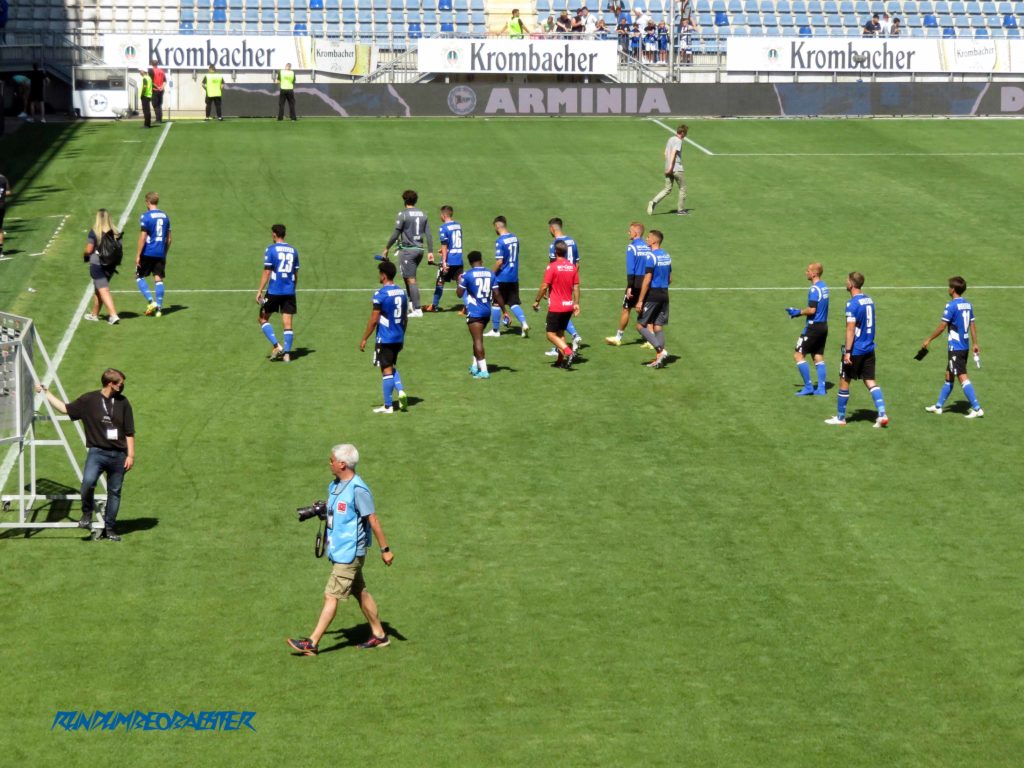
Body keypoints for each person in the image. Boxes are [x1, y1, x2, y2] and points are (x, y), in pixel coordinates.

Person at [286, 443, 394, 655]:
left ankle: (312, 642)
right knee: (359, 591)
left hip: (350, 553)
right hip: (339, 549)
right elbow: (338, 510)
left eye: (332, 460)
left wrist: (385, 549)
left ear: (342, 464)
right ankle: (380, 635)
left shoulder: (359, 490)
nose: (330, 463)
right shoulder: (334, 485)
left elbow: (372, 519)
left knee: (331, 595)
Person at [35, 369, 135, 541]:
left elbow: (129, 431)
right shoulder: (89, 400)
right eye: (120, 383)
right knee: (87, 482)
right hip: (97, 453)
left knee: (115, 492)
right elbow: (65, 409)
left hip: (119, 455)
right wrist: (47, 393)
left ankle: (109, 528)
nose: (122, 386)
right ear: (110, 384)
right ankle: (87, 513)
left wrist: (130, 455)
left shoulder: (123, 403)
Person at [825, 272, 888, 428]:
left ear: (851, 284)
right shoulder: (869, 300)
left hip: (856, 350)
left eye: (847, 280)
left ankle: (840, 417)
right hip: (869, 348)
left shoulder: (851, 304)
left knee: (844, 380)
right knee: (870, 381)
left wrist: (847, 352)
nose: (845, 282)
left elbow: (850, 329)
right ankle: (882, 413)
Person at [920, 276, 984, 418]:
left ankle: (977, 408)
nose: (948, 288)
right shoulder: (968, 305)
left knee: (962, 377)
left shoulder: (951, 306)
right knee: (949, 375)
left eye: (949, 286)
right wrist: (975, 343)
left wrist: (928, 339)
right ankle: (938, 406)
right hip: (965, 346)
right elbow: (972, 325)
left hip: (956, 348)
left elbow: (943, 326)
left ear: (953, 289)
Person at [359, 261, 409, 414]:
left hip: (385, 338)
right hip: (398, 336)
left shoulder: (380, 295)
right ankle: (400, 391)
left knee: (385, 370)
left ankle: (388, 406)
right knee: (390, 366)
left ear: (384, 275)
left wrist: (364, 338)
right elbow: (405, 317)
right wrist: (402, 335)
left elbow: (374, 320)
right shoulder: (402, 292)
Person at [382, 189, 434, 318]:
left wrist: (387, 247)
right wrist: (431, 252)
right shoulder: (423, 214)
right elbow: (429, 234)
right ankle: (411, 304)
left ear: (404, 200)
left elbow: (396, 233)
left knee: (411, 280)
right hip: (419, 251)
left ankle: (417, 309)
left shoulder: (403, 214)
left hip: (408, 250)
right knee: (407, 276)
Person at [532, 240, 581, 369]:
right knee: (560, 334)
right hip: (568, 306)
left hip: (556, 307)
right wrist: (576, 303)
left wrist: (537, 300)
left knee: (550, 334)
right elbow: (576, 287)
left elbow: (544, 286)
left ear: (555, 252)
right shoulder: (572, 267)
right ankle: (560, 361)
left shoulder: (552, 267)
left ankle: (569, 352)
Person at [256, 224, 299, 363]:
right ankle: (287, 355)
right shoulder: (294, 250)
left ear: (274, 234)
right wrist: (293, 288)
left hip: (274, 290)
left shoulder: (271, 249)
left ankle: (277, 345)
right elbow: (295, 273)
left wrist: (260, 290)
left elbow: (267, 271)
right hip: (289, 291)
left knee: (262, 318)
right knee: (287, 323)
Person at [786, 262, 829, 396]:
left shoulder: (814, 289)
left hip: (813, 327)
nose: (806, 272)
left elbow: (812, 310)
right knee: (817, 355)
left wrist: (797, 312)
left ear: (814, 273)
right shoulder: (824, 287)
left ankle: (809, 386)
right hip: (823, 326)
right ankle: (821, 389)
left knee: (798, 355)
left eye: (808, 271)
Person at [606, 222, 652, 346]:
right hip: (647, 283)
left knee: (626, 309)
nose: (628, 232)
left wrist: (630, 287)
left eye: (630, 231)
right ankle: (650, 339)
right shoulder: (648, 247)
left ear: (636, 233)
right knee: (644, 309)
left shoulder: (631, 247)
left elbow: (630, 269)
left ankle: (618, 337)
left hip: (635, 282)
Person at [486, 216, 529, 338]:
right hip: (513, 276)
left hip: (502, 277)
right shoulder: (515, 238)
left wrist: (491, 274)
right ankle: (524, 324)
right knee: (513, 302)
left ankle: (495, 330)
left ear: (497, 226)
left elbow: (500, 262)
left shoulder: (500, 241)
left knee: (495, 303)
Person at [633, 228, 671, 368]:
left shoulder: (651, 256)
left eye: (648, 237)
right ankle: (659, 358)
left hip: (653, 295)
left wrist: (640, 300)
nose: (647, 239)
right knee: (658, 326)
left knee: (640, 325)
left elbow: (647, 279)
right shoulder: (666, 255)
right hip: (664, 294)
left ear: (655, 240)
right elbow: (670, 278)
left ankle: (660, 350)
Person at [546, 217, 582, 354]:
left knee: (555, 317)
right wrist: (571, 277)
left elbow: (552, 266)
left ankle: (565, 344)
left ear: (552, 229)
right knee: (564, 313)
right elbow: (577, 263)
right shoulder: (572, 241)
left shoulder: (554, 245)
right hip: (571, 281)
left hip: (558, 286)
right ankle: (563, 345)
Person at [456, 250, 494, 379]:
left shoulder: (467, 275)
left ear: (470, 262)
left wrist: (459, 281)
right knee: (476, 338)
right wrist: (505, 311)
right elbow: (498, 294)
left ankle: (484, 371)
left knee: (478, 340)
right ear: (481, 260)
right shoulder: (490, 273)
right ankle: (474, 366)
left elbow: (459, 294)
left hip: (475, 312)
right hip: (487, 311)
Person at [135, 191, 172, 317]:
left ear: (147, 202)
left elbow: (143, 237)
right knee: (158, 279)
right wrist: (164, 253)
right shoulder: (166, 216)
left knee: (139, 276)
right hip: (160, 253)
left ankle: (151, 301)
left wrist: (138, 255)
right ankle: (160, 308)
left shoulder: (145, 217)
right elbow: (169, 239)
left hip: (148, 252)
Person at [82, 208, 122, 325]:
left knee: (103, 289)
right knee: (98, 289)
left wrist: (85, 255)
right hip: (111, 265)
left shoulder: (94, 231)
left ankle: (113, 315)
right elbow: (118, 250)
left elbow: (89, 249)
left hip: (97, 264)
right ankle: (94, 314)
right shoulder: (116, 232)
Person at [425, 205, 463, 312]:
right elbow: (455, 243)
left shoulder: (443, 228)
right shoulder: (458, 226)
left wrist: (444, 261)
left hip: (449, 260)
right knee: (460, 283)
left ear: (444, 215)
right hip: (459, 259)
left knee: (440, 282)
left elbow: (445, 244)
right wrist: (444, 250)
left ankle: (435, 306)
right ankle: (468, 307)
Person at [647, 123, 688, 217]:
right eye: (685, 133)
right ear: (682, 132)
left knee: (667, 189)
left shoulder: (670, 139)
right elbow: (673, 153)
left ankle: (653, 202)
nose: (685, 135)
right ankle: (680, 210)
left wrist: (667, 166)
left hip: (668, 167)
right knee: (683, 188)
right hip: (676, 168)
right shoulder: (678, 141)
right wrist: (671, 167)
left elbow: (665, 153)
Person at [0, 171, 10, 258]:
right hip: (2, 206)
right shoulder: (3, 178)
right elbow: (8, 192)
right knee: (0, 229)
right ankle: (1, 252)